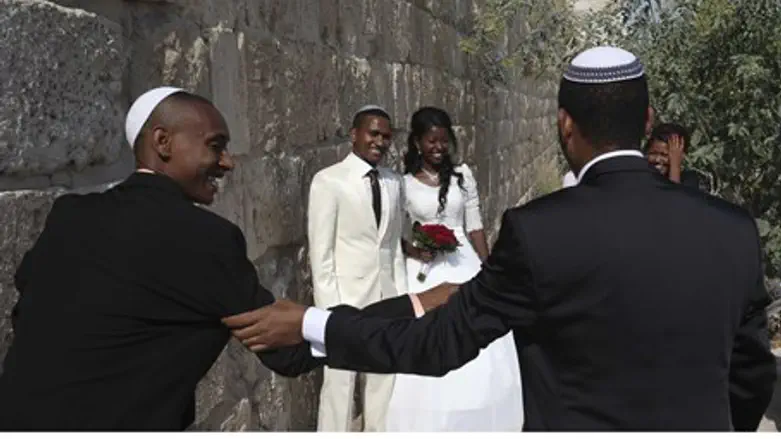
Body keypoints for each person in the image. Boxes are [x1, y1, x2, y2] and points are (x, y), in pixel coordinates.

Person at [224, 47, 778, 431]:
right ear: (648, 118)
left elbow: (439, 344)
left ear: (564, 124)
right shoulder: (731, 231)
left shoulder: (541, 232)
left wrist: (312, 323)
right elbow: (751, 375)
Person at [0, 88, 449, 431]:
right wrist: (414, 308)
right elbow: (290, 353)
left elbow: (28, 310)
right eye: (216, 146)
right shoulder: (204, 239)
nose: (228, 163)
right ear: (163, 142)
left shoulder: (70, 215)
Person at [384, 106, 523, 431]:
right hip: (424, 268)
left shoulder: (463, 175)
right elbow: (393, 235)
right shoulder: (403, 184)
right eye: (431, 141)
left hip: (463, 263)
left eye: (444, 141)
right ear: (417, 142)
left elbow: (474, 225)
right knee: (425, 334)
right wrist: (416, 248)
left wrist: (489, 268)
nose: (438, 148)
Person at [306, 105, 408, 431]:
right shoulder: (329, 181)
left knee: (383, 382)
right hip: (344, 300)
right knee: (339, 385)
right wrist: (328, 311)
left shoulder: (394, 182)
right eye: (373, 133)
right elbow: (321, 255)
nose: (380, 141)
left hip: (386, 296)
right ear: (354, 134)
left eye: (387, 137)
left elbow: (391, 247)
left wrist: (402, 297)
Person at [645, 123, 709, 191]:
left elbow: (675, 198)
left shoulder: (689, 179)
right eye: (652, 153)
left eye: (664, 155)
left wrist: (675, 166)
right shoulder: (641, 175)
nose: (657, 159)